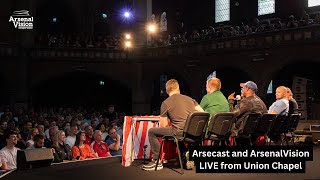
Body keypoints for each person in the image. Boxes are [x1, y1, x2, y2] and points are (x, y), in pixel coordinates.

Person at [142, 79, 204, 171]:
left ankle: (156, 161)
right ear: (178, 88)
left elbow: (163, 125)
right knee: (177, 132)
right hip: (194, 132)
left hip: (179, 132)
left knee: (152, 132)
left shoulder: (166, 103)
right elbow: (202, 113)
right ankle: (185, 153)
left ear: (167, 91)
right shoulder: (191, 99)